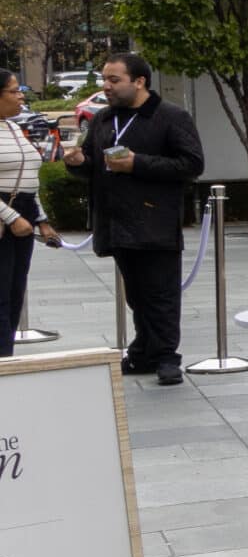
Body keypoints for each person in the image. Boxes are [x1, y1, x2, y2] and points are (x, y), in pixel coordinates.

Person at [59, 52, 204, 384]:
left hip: (155, 221)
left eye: (114, 80)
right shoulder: (103, 120)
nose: (106, 87)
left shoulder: (171, 117)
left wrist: (137, 163)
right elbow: (95, 167)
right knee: (136, 293)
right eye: (104, 80)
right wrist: (78, 162)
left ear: (139, 82)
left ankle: (167, 356)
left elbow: (192, 165)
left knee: (161, 293)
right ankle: (144, 352)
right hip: (116, 222)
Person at [0, 70, 66, 356]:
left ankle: (7, 357)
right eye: (13, 91)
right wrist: (11, 218)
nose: (20, 95)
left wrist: (41, 220)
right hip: (6, 214)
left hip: (23, 211)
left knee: (15, 291)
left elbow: (29, 178)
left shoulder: (13, 127)